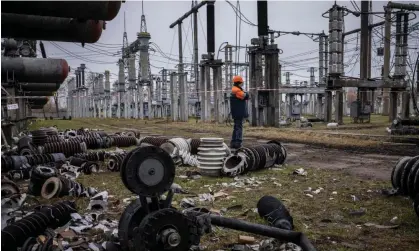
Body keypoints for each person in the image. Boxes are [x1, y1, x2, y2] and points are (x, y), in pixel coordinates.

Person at [229, 75, 249, 149]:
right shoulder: (237, 90)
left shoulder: (235, 89)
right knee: (239, 127)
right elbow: (245, 96)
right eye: (242, 82)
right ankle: (238, 143)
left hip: (236, 112)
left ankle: (233, 143)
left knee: (236, 127)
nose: (242, 83)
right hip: (239, 112)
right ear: (239, 83)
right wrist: (246, 93)